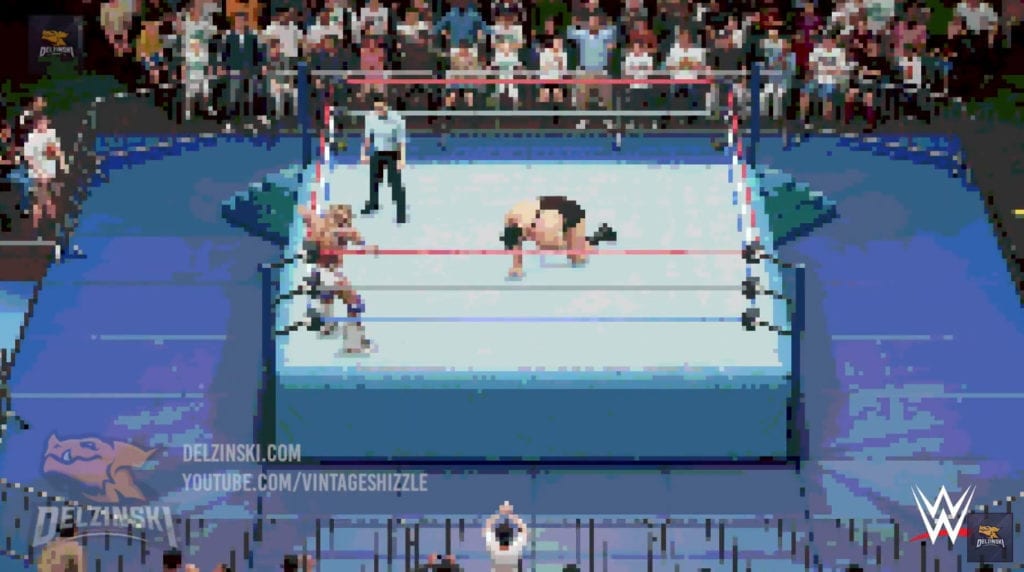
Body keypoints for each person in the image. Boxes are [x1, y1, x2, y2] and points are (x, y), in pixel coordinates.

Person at [299, 203, 375, 353]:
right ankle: (354, 343)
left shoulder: (319, 222)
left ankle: (327, 325)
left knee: (327, 295)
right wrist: (366, 246)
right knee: (354, 301)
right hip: (327, 274)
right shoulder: (339, 230)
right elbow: (355, 237)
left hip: (318, 273)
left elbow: (303, 211)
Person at [501, 196, 617, 278]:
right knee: (558, 247)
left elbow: (556, 243)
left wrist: (570, 244)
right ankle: (583, 240)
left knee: (577, 259)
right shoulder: (513, 223)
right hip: (546, 215)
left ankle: (600, 235)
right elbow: (516, 246)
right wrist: (517, 267)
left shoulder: (540, 224)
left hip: (569, 212)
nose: (525, 238)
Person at [361, 94, 408, 224]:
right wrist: (363, 154)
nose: (378, 111)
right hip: (377, 153)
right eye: (376, 108)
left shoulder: (397, 119)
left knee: (395, 184)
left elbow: (401, 142)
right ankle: (373, 204)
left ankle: (401, 212)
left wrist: (402, 159)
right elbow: (367, 139)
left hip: (392, 154)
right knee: (374, 181)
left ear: (386, 106)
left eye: (381, 108)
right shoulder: (370, 118)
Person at [24, 114, 68, 234]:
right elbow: (29, 159)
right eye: (41, 123)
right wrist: (39, 173)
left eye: (45, 123)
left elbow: (57, 151)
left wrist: (63, 163)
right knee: (41, 201)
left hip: (50, 173)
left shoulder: (51, 134)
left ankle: (52, 226)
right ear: (37, 124)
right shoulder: (32, 138)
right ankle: (36, 228)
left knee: (50, 200)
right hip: (37, 175)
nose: (43, 125)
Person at [483, 501, 528, 572]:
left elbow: (488, 525)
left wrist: (499, 513)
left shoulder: (494, 546)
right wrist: (511, 515)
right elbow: (523, 529)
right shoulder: (515, 547)